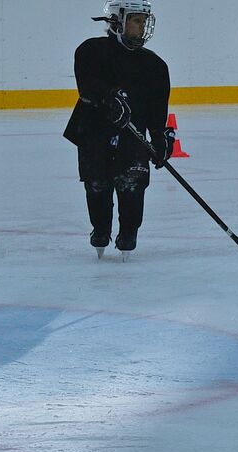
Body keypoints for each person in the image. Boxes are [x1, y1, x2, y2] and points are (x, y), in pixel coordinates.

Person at [64, 0, 173, 259]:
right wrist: (108, 96)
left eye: (144, 21)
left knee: (132, 186)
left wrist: (159, 137)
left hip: (133, 136)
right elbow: (87, 87)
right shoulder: (90, 51)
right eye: (136, 21)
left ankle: (128, 234)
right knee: (97, 185)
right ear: (116, 21)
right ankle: (100, 230)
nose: (142, 27)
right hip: (93, 131)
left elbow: (157, 108)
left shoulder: (155, 66)